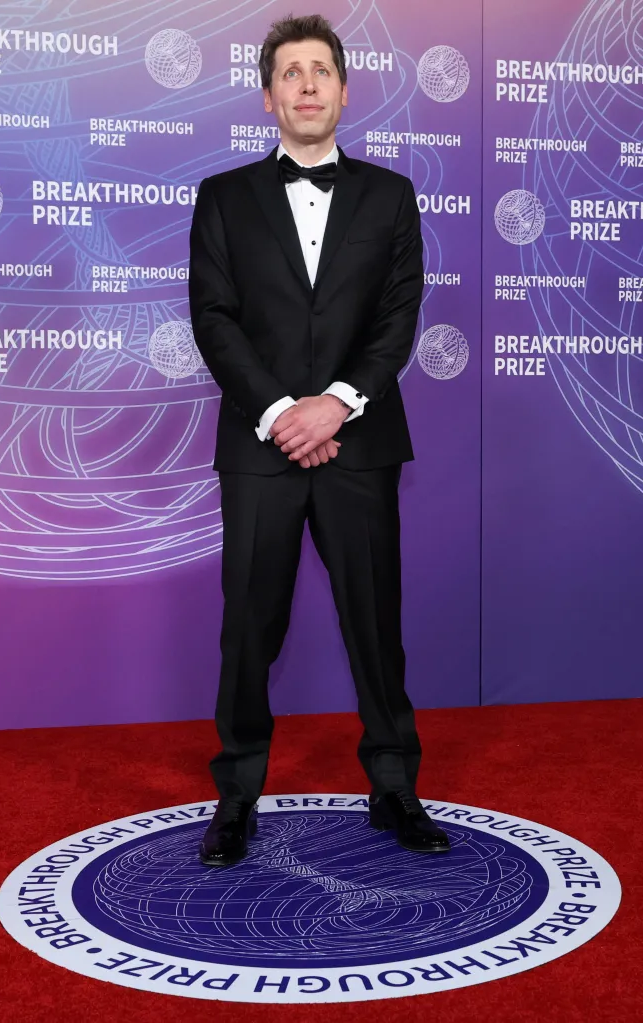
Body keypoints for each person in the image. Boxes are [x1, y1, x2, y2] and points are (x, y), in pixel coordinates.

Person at [189, 13, 449, 865]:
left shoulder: (390, 194)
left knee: (374, 620)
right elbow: (215, 321)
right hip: (258, 447)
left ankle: (395, 786)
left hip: (359, 443)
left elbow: (396, 317)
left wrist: (334, 404)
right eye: (290, 72)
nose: (306, 84)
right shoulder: (222, 197)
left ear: (343, 88)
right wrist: (279, 415)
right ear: (267, 97)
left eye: (321, 70)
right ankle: (235, 796)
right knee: (247, 627)